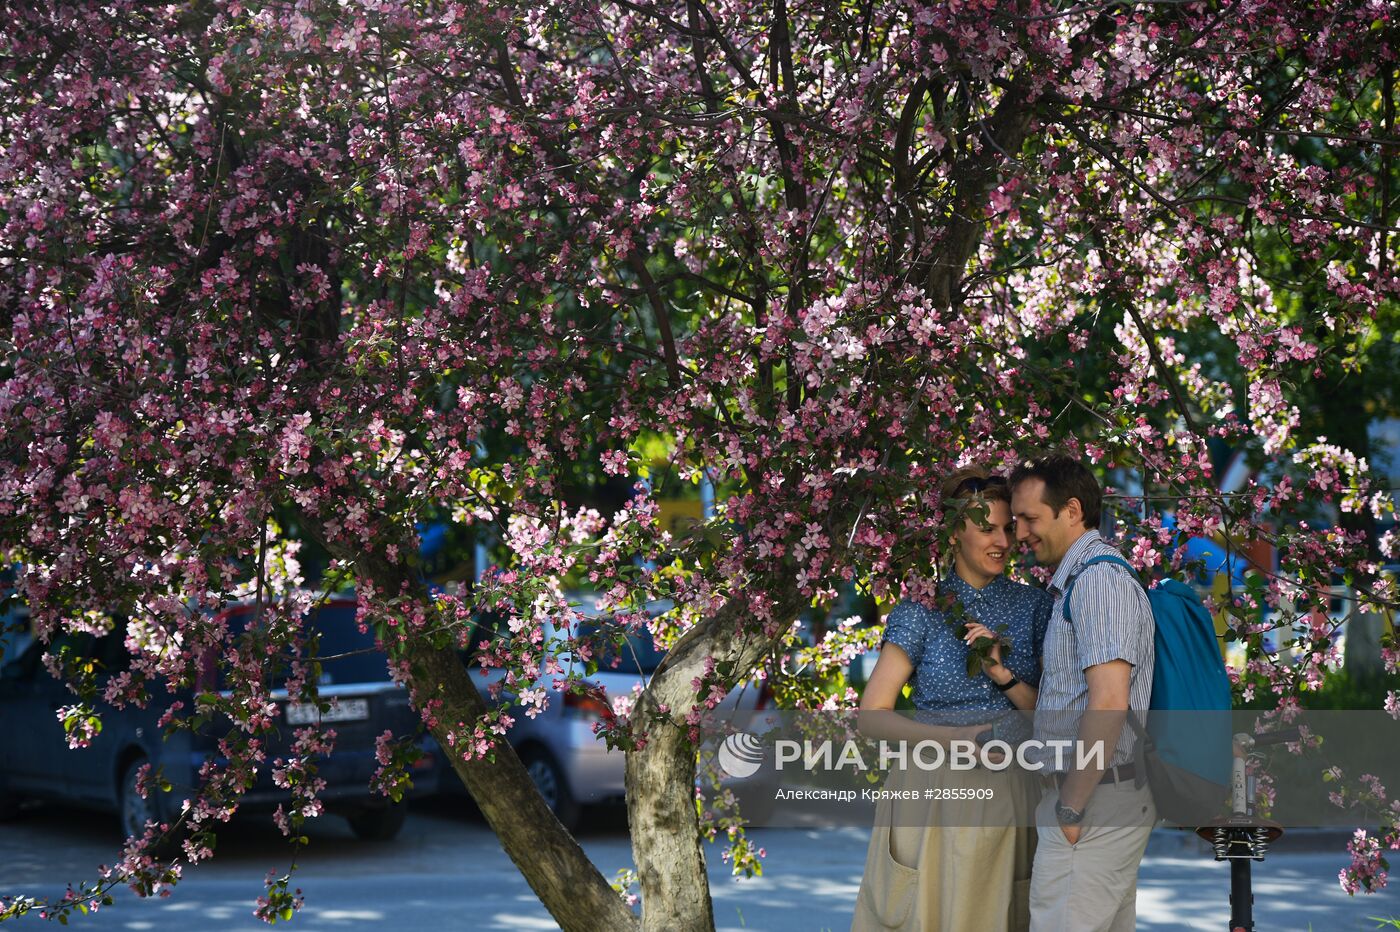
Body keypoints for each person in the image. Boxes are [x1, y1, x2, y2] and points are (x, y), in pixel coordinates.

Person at [852, 467, 1051, 932]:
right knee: (920, 913)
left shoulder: (1035, 607)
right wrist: (955, 738)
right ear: (954, 531)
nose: (1002, 540)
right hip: (928, 791)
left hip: (1009, 789)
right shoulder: (921, 609)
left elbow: (1052, 715)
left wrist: (1003, 675)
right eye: (986, 529)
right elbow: (872, 716)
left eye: (1007, 528)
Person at [1007, 453, 1156, 932]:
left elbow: (1109, 702)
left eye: (1030, 518)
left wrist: (1070, 806)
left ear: (1072, 511)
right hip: (1097, 798)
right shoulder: (1080, 581)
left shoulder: (1097, 582)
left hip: (1093, 802)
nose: (1021, 534)